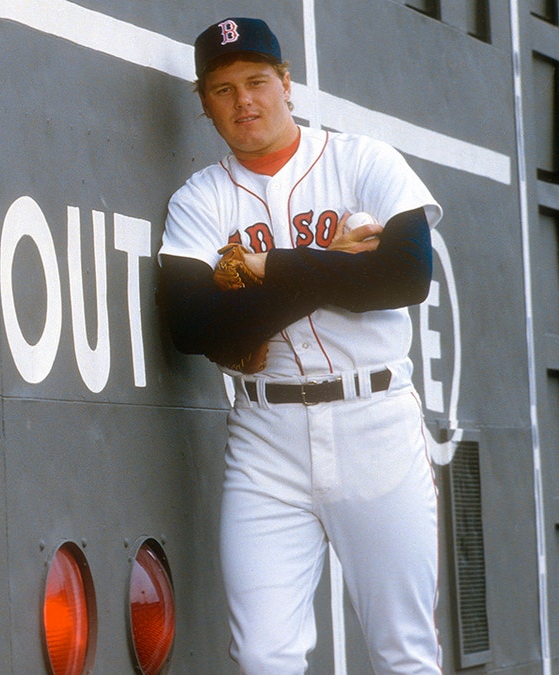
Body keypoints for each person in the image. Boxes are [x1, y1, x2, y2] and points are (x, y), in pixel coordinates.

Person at [157, 17, 444, 675]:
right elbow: (195, 326)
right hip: (267, 437)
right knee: (263, 654)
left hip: (374, 422)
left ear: (287, 84)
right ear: (205, 105)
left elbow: (403, 275)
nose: (244, 102)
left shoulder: (362, 161)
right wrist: (325, 266)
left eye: (256, 81)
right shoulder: (199, 201)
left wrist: (264, 270)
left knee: (404, 652)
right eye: (223, 90)